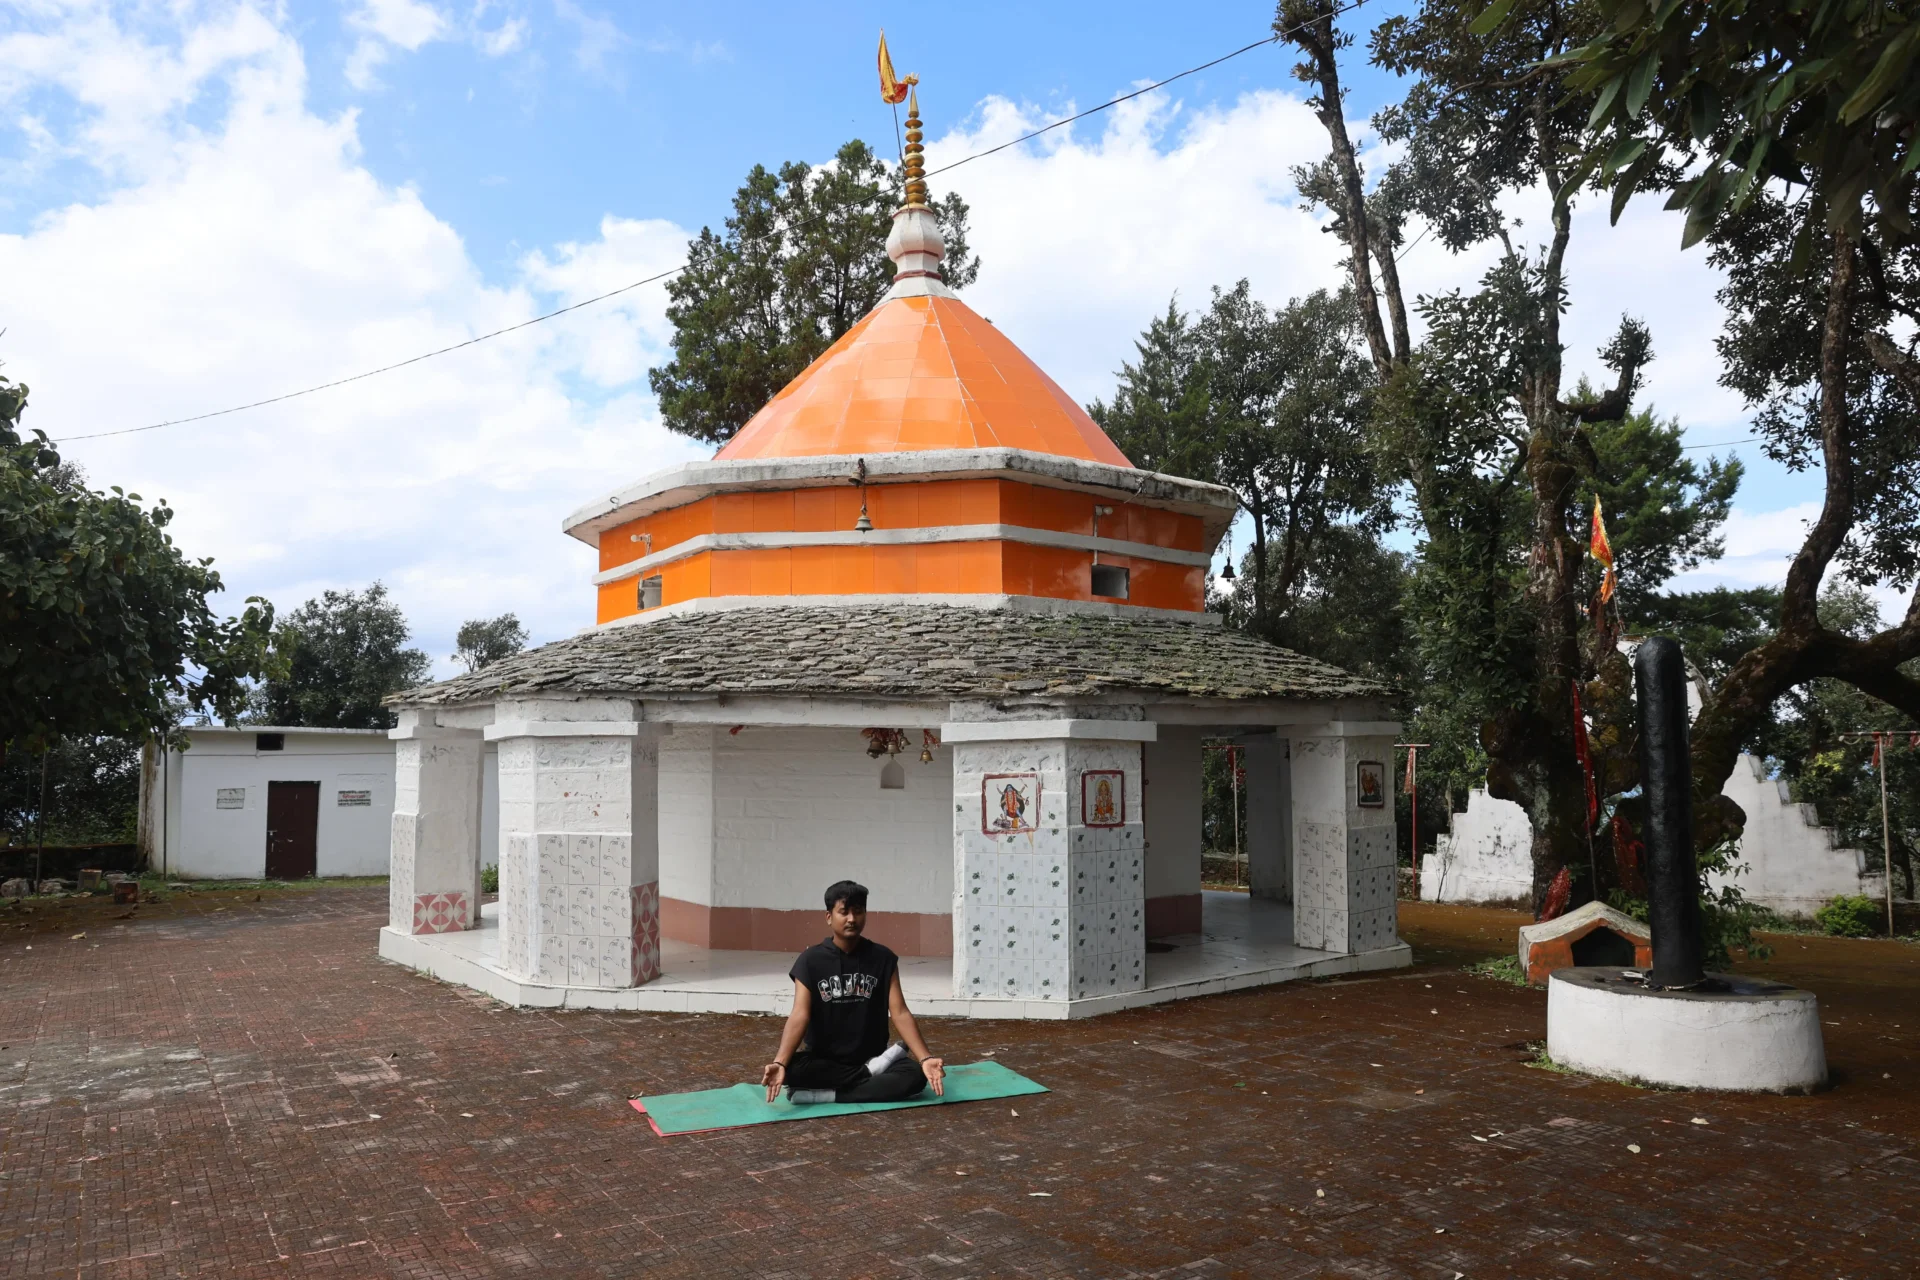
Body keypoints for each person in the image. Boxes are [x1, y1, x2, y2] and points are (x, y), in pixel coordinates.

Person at [762, 880, 946, 1104]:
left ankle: (831, 1095)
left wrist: (925, 1058)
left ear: (865, 915)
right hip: (825, 1060)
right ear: (829, 917)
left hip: (872, 1055)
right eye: (844, 912)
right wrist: (780, 1063)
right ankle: (870, 1074)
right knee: (792, 1070)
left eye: (858, 912)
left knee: (915, 1077)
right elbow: (800, 1014)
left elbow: (899, 1012)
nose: (851, 919)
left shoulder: (883, 958)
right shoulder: (810, 961)